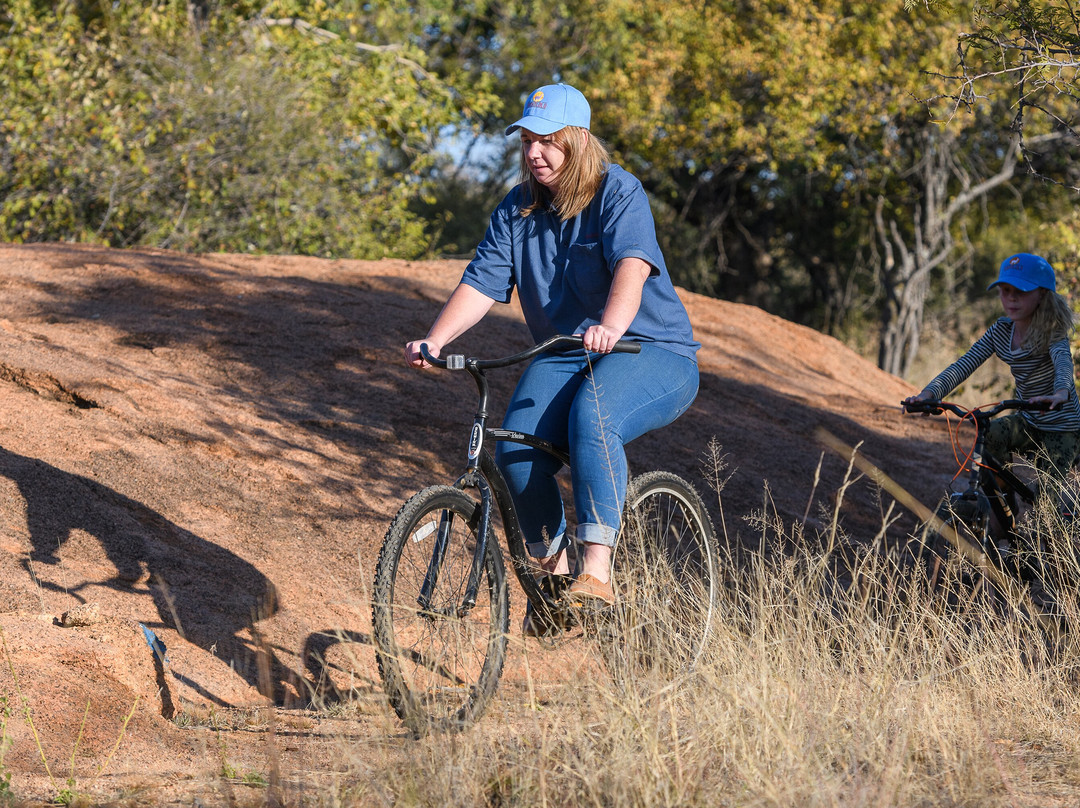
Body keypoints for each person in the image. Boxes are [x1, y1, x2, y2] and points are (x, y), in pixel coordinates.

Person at [404, 83, 700, 635]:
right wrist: (435, 340)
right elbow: (482, 284)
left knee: (595, 415)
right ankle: (558, 586)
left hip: (650, 349)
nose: (534, 152)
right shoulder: (516, 208)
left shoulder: (618, 191)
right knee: (514, 452)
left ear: (578, 140)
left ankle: (597, 571)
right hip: (566, 353)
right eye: (526, 141)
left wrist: (611, 326)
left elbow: (632, 265)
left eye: (547, 141)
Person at [904, 252, 1080, 511]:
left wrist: (1060, 393)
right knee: (990, 435)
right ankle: (1004, 508)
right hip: (1029, 422)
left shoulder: (1052, 332)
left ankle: (1047, 531)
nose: (1011, 298)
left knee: (1046, 510)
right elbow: (965, 364)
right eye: (1005, 290)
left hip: (1063, 429)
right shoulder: (1001, 330)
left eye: (1021, 291)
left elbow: (1063, 362)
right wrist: (929, 394)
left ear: (1042, 295)